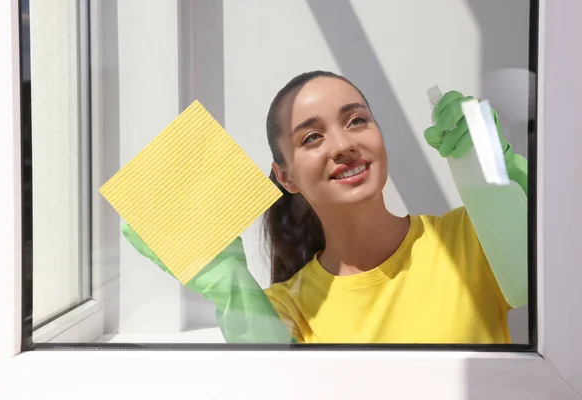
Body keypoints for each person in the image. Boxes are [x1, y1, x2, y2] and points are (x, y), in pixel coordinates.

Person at [123, 70, 528, 344]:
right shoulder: (286, 308)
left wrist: (504, 167)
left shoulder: (470, 238)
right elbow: (273, 385)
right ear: (287, 178)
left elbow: (562, 264)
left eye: (356, 121)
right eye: (312, 137)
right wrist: (228, 282)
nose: (343, 145)